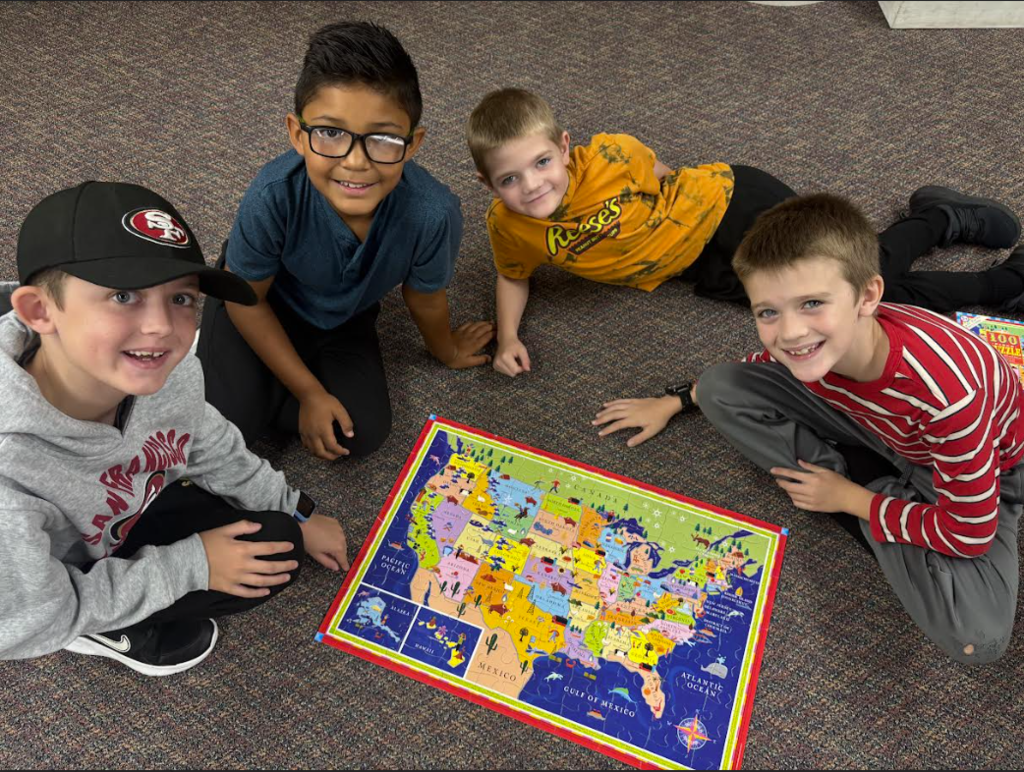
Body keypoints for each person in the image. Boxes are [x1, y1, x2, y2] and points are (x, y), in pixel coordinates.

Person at [613, 193, 1024, 664]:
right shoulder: (814, 348)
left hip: (979, 466)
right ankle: (864, 489)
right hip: (882, 428)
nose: (789, 332)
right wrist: (678, 398)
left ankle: (856, 487)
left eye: (811, 303)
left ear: (868, 296)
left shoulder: (949, 397)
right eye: (767, 311)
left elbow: (968, 533)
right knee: (715, 388)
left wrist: (853, 501)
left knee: (979, 637)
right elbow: (761, 363)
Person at [0, 181, 350, 677]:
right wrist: (191, 565)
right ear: (40, 311)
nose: (163, 326)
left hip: (115, 508)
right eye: (123, 295)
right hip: (43, 581)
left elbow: (206, 438)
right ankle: (98, 629)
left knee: (276, 540)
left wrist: (294, 508)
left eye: (182, 298)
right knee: (58, 608)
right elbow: (21, 622)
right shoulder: (8, 473)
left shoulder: (160, 365)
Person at [466, 88, 1023, 378]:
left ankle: (954, 235)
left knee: (850, 284)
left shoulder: (613, 152)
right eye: (510, 178)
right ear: (487, 183)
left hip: (729, 204)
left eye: (542, 163)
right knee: (856, 307)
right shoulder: (508, 227)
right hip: (697, 269)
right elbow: (511, 276)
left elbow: (666, 178)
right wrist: (510, 337)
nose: (533, 186)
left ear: (564, 146)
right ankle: (969, 251)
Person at [197, 21, 494, 461]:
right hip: (258, 298)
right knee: (223, 427)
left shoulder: (433, 213)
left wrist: (446, 349)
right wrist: (309, 393)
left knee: (363, 433)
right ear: (298, 135)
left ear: (412, 145)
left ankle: (255, 389)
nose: (356, 162)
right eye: (331, 133)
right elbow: (247, 299)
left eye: (384, 138)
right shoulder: (272, 195)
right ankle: (237, 376)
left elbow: (425, 298)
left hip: (343, 316)